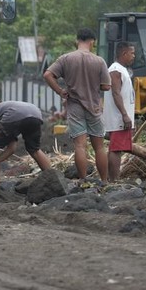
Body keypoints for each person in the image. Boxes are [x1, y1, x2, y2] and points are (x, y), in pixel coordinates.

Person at [43, 28, 112, 181]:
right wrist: (94, 86)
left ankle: (83, 181)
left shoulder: (66, 58)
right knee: (99, 147)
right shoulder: (99, 61)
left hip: (74, 107)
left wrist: (60, 91)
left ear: (77, 41)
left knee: (80, 146)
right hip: (94, 107)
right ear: (92, 42)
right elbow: (107, 86)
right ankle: (104, 181)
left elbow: (48, 75)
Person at [102, 42, 136, 182]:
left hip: (121, 117)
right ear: (124, 54)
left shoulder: (121, 69)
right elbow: (116, 93)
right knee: (116, 149)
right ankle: (114, 180)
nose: (134, 56)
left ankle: (112, 179)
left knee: (116, 148)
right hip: (118, 118)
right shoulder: (116, 70)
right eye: (132, 53)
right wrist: (124, 115)